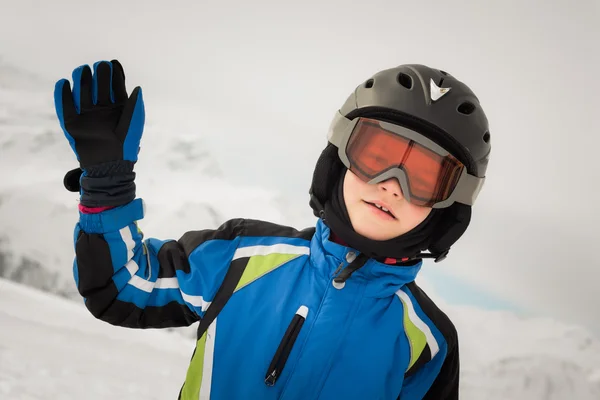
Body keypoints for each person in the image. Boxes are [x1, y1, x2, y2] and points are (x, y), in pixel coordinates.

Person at [53, 59, 491, 400]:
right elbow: (121, 286)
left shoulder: (428, 345)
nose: (392, 185)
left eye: (425, 177)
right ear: (339, 159)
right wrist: (107, 186)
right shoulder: (241, 257)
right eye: (376, 156)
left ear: (450, 205)